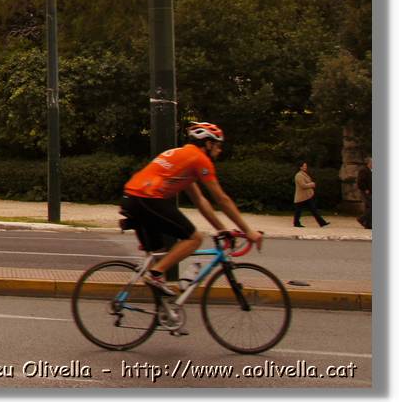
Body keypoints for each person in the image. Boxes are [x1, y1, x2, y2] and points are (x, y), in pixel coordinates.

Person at [121, 122, 263, 296]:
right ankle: (155, 275)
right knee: (195, 239)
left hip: (132, 198)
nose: (220, 150)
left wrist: (221, 229)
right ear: (208, 144)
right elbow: (222, 199)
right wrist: (248, 231)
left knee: (159, 254)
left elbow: (200, 201)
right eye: (218, 146)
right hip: (147, 198)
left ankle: (156, 307)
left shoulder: (183, 158)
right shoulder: (199, 159)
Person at [292, 161, 329, 228]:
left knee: (312, 210)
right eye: (304, 166)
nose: (306, 167)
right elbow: (303, 185)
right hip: (301, 196)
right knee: (299, 211)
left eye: (306, 166)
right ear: (300, 167)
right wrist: (312, 184)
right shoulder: (299, 175)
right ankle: (296, 223)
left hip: (306, 196)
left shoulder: (303, 174)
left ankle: (322, 223)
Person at [358, 157, 373, 229]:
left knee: (368, 207)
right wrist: (365, 189)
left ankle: (367, 224)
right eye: (372, 162)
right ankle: (361, 219)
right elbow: (360, 181)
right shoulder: (364, 170)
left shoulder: (369, 170)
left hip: (369, 191)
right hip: (366, 191)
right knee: (372, 207)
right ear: (368, 163)